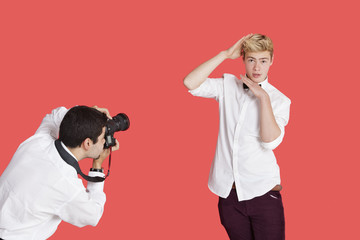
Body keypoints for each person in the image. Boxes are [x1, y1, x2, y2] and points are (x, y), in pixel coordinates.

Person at [183, 34, 291, 239]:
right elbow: (190, 82)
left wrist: (263, 98)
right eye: (251, 60)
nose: (257, 67)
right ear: (243, 59)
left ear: (272, 61)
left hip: (264, 194)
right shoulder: (228, 86)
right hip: (229, 196)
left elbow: (270, 141)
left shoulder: (280, 101)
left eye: (263, 61)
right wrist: (224, 55)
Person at [0, 105, 119, 239]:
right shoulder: (67, 185)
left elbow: (55, 115)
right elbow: (93, 214)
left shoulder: (39, 140)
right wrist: (97, 166)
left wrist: (86, 116)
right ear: (87, 143)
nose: (105, 141)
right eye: (103, 137)